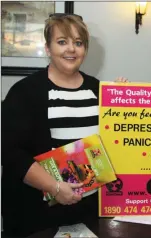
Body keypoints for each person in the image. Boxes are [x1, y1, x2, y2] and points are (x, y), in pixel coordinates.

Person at [1, 14, 126, 237]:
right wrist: (55, 188)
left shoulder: (99, 90)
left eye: (78, 43)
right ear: (47, 48)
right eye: (62, 42)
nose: (71, 49)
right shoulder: (24, 92)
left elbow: (116, 143)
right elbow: (10, 154)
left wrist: (124, 100)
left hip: (89, 214)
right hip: (37, 218)